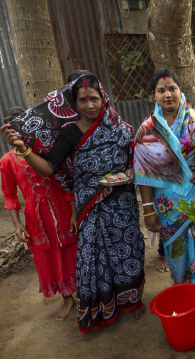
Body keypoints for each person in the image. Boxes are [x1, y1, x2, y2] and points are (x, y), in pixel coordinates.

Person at [1, 74, 146, 332]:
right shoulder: (69, 133)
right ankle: (105, 306)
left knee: (128, 253)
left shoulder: (121, 128)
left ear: (103, 99)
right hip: (89, 207)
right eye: (83, 100)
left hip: (122, 205)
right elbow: (48, 168)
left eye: (94, 98)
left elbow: (138, 162)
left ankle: (133, 300)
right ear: (74, 103)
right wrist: (23, 148)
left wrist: (131, 175)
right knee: (96, 257)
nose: (89, 105)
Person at [133, 68, 195, 307]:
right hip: (169, 204)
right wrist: (149, 210)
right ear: (154, 95)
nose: (167, 94)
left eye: (172, 88)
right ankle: (183, 289)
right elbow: (144, 175)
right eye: (161, 90)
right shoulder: (147, 130)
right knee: (177, 249)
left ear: (180, 90)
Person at [0, 107, 78, 321]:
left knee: (73, 252)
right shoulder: (7, 162)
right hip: (37, 220)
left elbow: (66, 182)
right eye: (11, 130)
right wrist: (17, 224)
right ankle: (67, 298)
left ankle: (86, 292)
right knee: (52, 259)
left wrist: (73, 213)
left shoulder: (49, 152)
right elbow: (10, 194)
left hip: (63, 212)